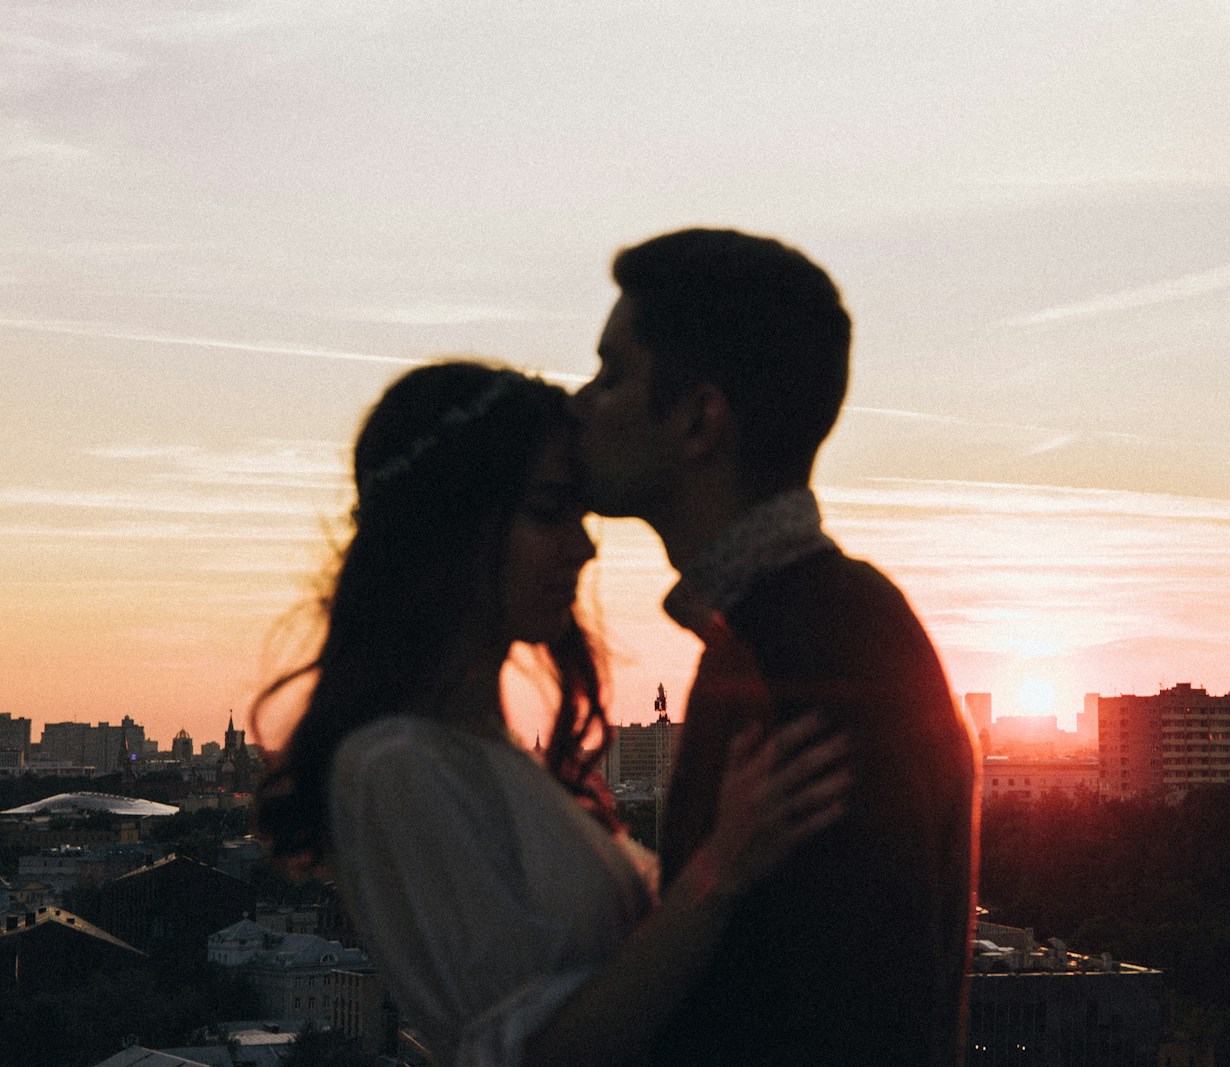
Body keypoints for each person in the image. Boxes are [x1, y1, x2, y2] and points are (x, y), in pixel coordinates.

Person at [251, 360, 850, 1067]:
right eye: (547, 511)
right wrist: (721, 870)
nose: (586, 545)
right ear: (454, 528)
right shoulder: (393, 765)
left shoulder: (490, 753)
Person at [573, 228, 979, 1065]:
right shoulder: (810, 624)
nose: (580, 403)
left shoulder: (803, 654)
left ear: (698, 419)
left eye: (612, 373)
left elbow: (853, 1012)